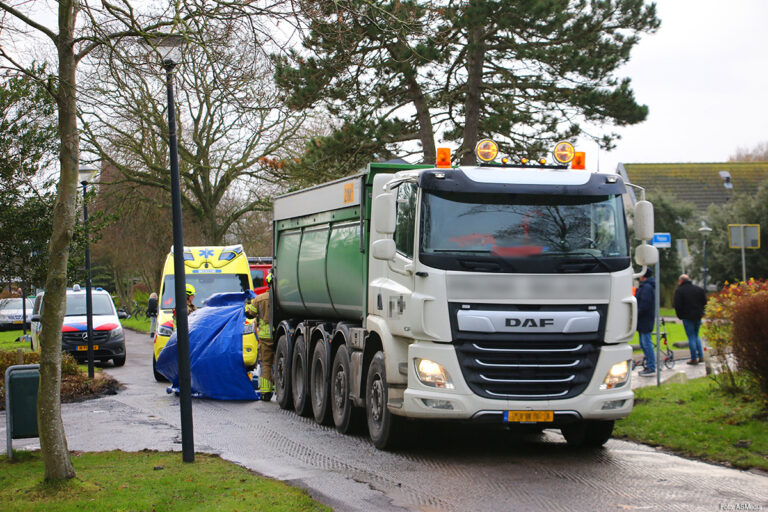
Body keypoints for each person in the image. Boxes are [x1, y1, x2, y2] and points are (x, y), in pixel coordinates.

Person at [246, 271, 274, 401]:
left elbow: (250, 314)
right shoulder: (283, 299)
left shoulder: (259, 298)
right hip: (279, 335)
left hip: (265, 338)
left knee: (266, 364)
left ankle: (266, 392)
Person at [673, 274, 707, 365]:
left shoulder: (680, 291)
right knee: (696, 336)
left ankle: (693, 358)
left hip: (687, 316)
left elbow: (677, 305)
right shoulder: (698, 289)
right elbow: (704, 302)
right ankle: (701, 355)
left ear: (681, 281)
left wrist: (680, 316)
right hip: (698, 316)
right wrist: (702, 312)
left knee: (691, 337)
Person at [636, 268, 656, 376]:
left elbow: (645, 304)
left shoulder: (646, 287)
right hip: (644, 320)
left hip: (644, 320)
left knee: (646, 343)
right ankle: (649, 365)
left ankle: (651, 367)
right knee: (644, 344)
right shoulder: (646, 287)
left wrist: (636, 313)